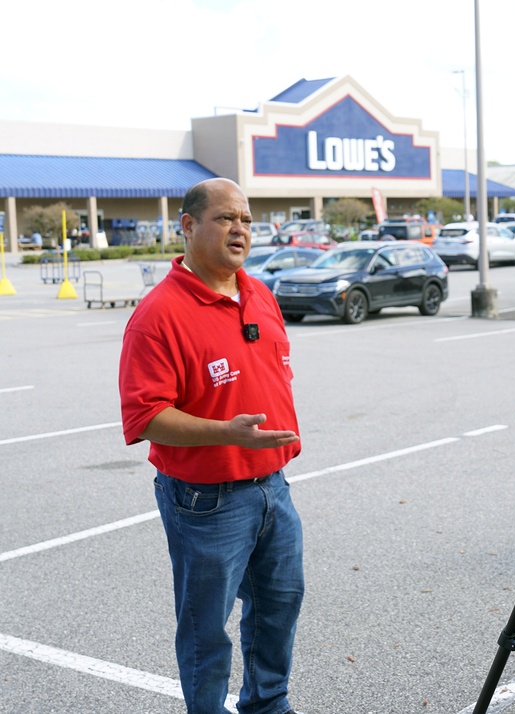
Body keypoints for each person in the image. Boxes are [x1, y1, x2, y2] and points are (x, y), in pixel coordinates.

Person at [119, 177, 305, 714]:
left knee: (279, 606)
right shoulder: (158, 315)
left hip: (273, 486)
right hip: (206, 501)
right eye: (226, 218)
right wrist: (226, 432)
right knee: (207, 627)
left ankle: (268, 704)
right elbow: (146, 416)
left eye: (246, 220)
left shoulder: (258, 292)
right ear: (188, 226)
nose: (240, 230)